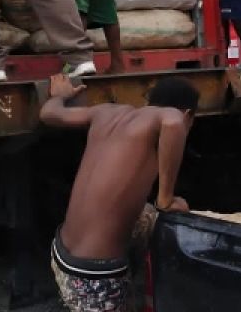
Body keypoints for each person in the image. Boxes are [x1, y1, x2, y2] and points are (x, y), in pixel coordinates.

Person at [40, 73, 197, 312]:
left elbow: (49, 114)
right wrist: (166, 198)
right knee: (166, 212)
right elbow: (174, 122)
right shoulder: (173, 118)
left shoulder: (106, 112)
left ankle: (135, 282)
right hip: (93, 276)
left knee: (148, 216)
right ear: (188, 114)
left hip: (61, 255)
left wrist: (59, 97)